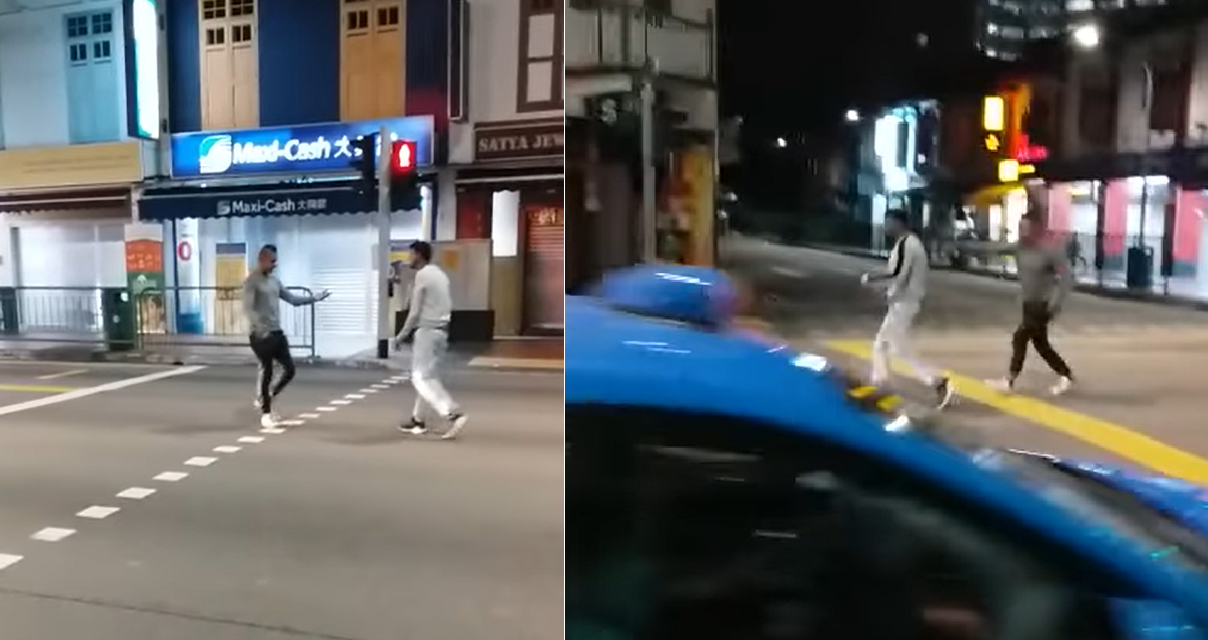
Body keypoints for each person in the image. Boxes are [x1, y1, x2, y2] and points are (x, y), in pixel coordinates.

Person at [860, 210, 955, 409]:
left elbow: (897, 274)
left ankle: (936, 381)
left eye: (888, 223)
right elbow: (898, 274)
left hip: (905, 303)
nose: (886, 227)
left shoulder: (907, 244)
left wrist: (871, 280)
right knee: (885, 345)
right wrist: (884, 289)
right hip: (903, 302)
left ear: (898, 223)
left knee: (892, 347)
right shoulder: (907, 244)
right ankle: (881, 383)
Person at [986, 212, 1076, 395]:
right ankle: (1066, 375)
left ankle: (1010, 380)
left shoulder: (1050, 250)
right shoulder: (1020, 248)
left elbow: (1067, 277)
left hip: (1043, 304)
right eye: (1020, 227)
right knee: (1041, 345)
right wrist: (959, 246)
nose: (1022, 231)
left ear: (1037, 229)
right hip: (1028, 304)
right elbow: (995, 248)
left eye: (1025, 228)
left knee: (1020, 337)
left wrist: (1056, 302)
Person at [243, 244, 331, 428]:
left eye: (276, 261)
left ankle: (266, 397)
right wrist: (260, 327)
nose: (275, 264)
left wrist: (314, 298)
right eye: (272, 261)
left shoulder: (275, 282)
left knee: (289, 369)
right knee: (266, 370)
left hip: (276, 332)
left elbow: (292, 300)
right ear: (262, 259)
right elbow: (248, 309)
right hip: (259, 335)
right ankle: (266, 414)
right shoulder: (252, 281)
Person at [393, 240, 467, 439]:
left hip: (427, 330)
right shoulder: (439, 274)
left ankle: (452, 413)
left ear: (418, 254)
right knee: (428, 377)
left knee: (420, 378)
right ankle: (418, 420)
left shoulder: (422, 275)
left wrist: (401, 336)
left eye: (410, 254)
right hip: (442, 332)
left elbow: (414, 312)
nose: (409, 258)